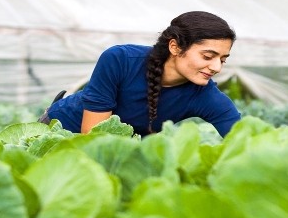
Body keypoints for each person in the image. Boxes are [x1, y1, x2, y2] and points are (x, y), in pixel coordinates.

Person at [38, 11, 241, 138]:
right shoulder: (120, 59)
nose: (216, 67)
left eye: (223, 59)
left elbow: (245, 139)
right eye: (208, 56)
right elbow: (92, 136)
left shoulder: (205, 95)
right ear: (175, 47)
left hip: (117, 150)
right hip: (58, 131)